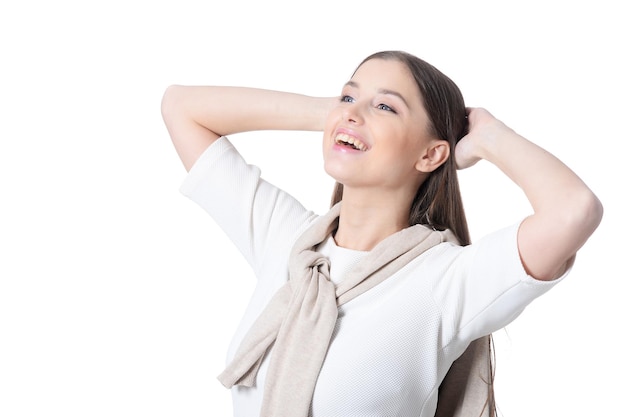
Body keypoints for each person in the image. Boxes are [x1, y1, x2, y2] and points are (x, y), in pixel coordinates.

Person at [161, 50, 602, 417]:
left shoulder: (445, 284)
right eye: (349, 95)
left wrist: (488, 136)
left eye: (385, 106)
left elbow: (573, 211)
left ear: (431, 154)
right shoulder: (291, 242)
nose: (354, 111)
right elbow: (181, 107)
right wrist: (337, 114)